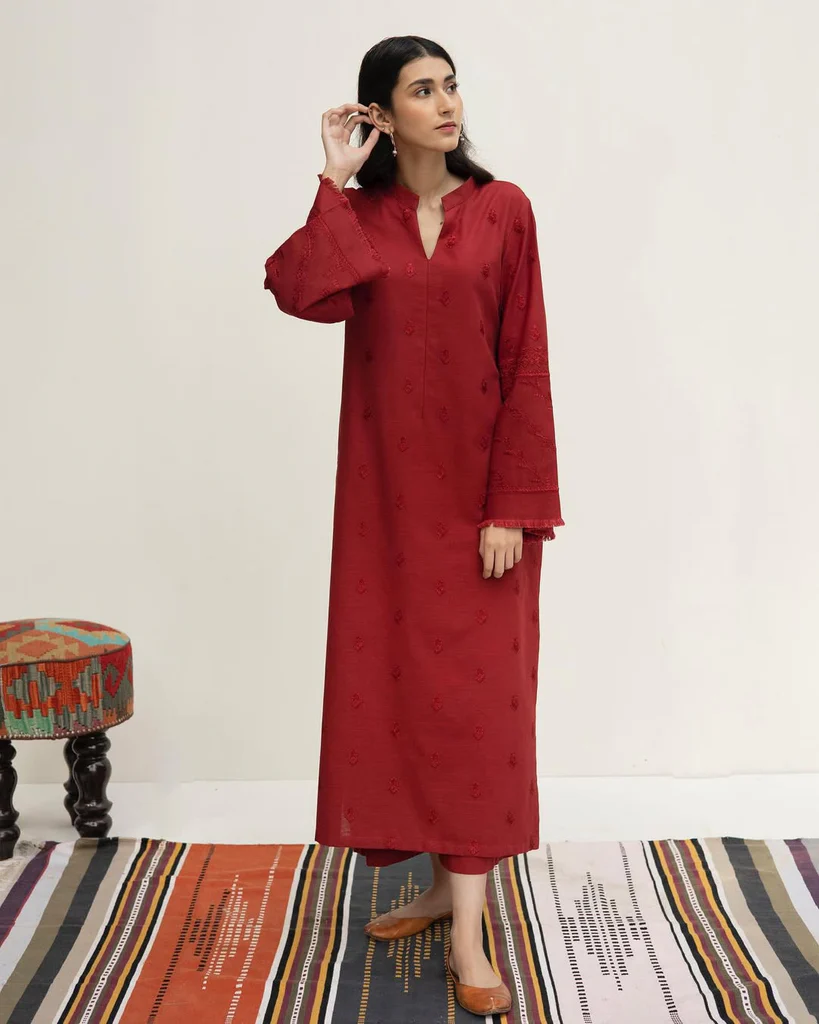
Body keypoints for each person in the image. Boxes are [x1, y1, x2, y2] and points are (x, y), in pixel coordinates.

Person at [263, 34, 564, 1017]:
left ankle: (470, 935)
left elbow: (526, 361)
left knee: (477, 712)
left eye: (451, 85)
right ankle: (440, 888)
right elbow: (300, 291)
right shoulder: (359, 220)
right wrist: (331, 177)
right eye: (422, 90)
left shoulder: (503, 209)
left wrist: (512, 506)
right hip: (385, 509)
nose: (447, 103)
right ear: (383, 115)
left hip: (483, 509)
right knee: (405, 698)